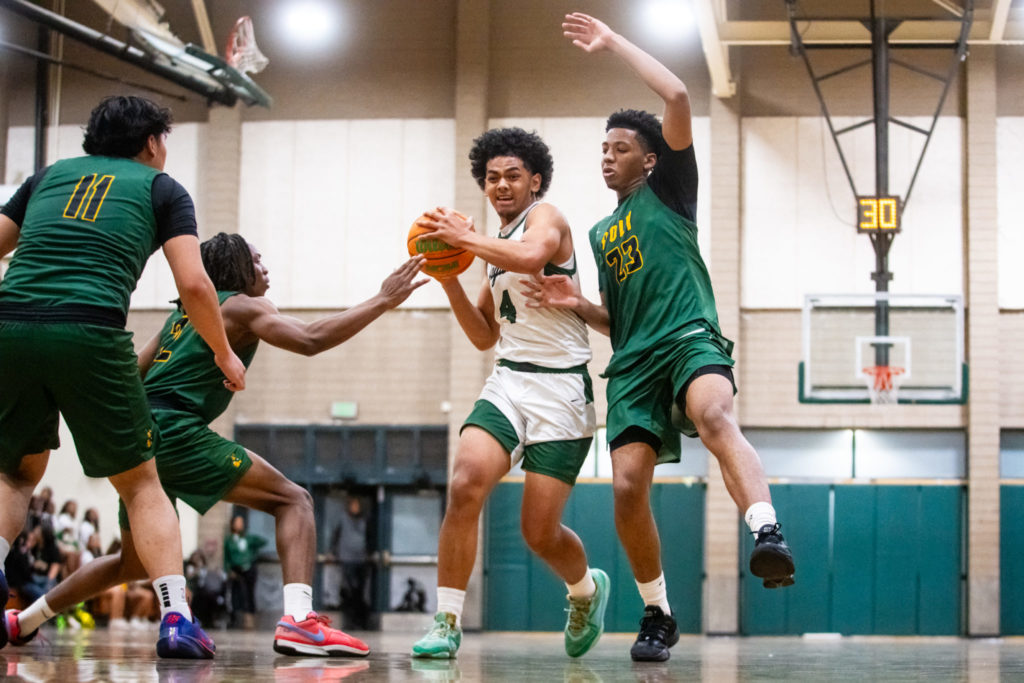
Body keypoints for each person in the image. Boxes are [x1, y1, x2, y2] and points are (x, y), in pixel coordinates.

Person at [3, 232, 427, 657]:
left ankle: (23, 620)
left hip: (137, 434)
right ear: (239, 269)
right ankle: (299, 620)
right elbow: (310, 338)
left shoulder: (184, 314)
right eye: (258, 262)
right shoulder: (242, 304)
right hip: (175, 429)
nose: (266, 270)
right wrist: (382, 300)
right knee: (293, 501)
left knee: (132, 563)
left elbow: (131, 373)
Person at [521, 13, 796, 662]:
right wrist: (577, 302)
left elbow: (676, 95)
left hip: (690, 336)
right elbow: (622, 323)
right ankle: (658, 609)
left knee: (714, 410)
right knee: (625, 486)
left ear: (649, 158)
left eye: (619, 148)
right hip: (634, 362)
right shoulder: (597, 234)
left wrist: (612, 42)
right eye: (603, 150)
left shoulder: (671, 190)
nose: (608, 157)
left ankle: (767, 530)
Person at [0, 95, 245, 659]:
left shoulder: (47, 178)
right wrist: (225, 354)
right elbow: (196, 285)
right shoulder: (162, 189)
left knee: (16, 474)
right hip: (89, 328)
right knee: (140, 483)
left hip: (11, 325)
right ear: (153, 141)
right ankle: (178, 618)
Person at [410, 127, 608, 660]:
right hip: (508, 380)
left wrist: (462, 242)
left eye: (512, 176)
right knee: (465, 483)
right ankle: (447, 621)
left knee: (538, 533)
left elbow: (531, 256)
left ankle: (586, 590)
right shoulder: (492, 252)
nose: (501, 185)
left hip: (563, 388)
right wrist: (448, 275)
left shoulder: (546, 219)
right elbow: (483, 334)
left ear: (534, 181)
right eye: (492, 177)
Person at [332, 497, 370, 630]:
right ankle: (349, 622)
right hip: (346, 559)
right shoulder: (343, 519)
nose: (355, 508)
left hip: (360, 559)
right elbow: (335, 536)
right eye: (353, 505)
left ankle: (360, 622)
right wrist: (334, 552)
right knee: (348, 590)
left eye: (357, 505)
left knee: (359, 591)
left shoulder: (364, 520)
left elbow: (369, 538)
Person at [224, 515, 266, 630]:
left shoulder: (247, 538)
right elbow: (226, 557)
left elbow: (262, 542)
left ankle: (250, 620)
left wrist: (253, 553)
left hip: (249, 569)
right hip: (237, 570)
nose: (240, 525)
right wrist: (228, 569)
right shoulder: (230, 540)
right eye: (237, 522)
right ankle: (236, 619)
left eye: (241, 522)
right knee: (237, 594)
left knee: (249, 593)